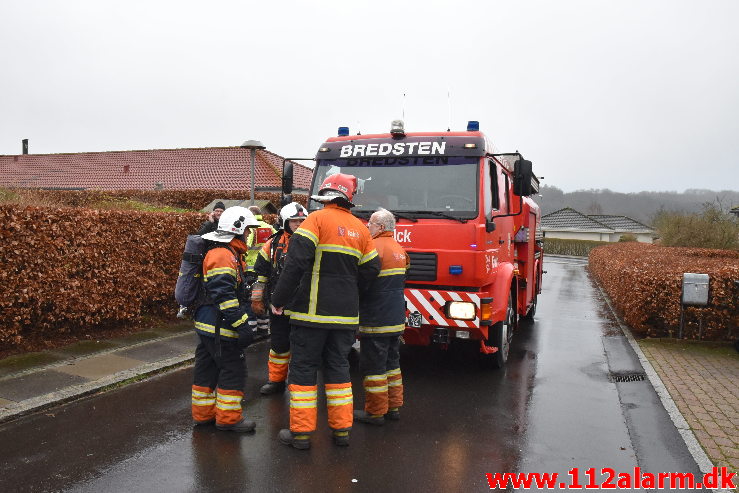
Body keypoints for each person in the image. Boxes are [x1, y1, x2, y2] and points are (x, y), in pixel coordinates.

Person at [270, 173, 380, 449]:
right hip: (345, 318)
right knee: (339, 371)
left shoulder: (315, 221)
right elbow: (371, 269)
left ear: (326, 195)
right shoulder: (362, 229)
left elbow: (295, 263)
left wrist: (279, 299)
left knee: (304, 371)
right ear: (348, 198)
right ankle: (342, 431)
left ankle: (302, 435)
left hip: (311, 315)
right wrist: (352, 293)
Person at [191, 206, 260, 432]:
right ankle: (229, 420)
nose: (249, 234)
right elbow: (224, 296)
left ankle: (203, 416)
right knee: (233, 369)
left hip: (208, 324)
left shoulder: (227, 253)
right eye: (247, 230)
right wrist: (242, 326)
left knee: (207, 369)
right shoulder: (223, 255)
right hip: (220, 327)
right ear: (237, 229)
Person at [354, 208, 409, 426]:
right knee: (392, 364)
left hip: (376, 318)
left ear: (381, 227)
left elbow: (362, 282)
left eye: (371, 224)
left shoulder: (373, 248)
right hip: (395, 317)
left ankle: (375, 412)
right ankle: (393, 407)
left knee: (373, 367)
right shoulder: (399, 249)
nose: (368, 227)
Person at [251, 202, 308, 395]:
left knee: (302, 347)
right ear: (284, 222)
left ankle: (299, 383)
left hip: (304, 305)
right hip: (279, 307)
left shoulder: (312, 242)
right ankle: (276, 381)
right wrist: (257, 298)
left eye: (302, 220)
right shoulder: (273, 243)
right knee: (278, 345)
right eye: (294, 221)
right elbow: (261, 274)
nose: (299, 224)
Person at [245, 205, 276, 339]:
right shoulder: (269, 227)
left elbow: (245, 246)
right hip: (267, 269)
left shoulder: (250, 228)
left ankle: (251, 330)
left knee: (250, 299)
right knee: (263, 297)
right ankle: (264, 328)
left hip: (250, 269)